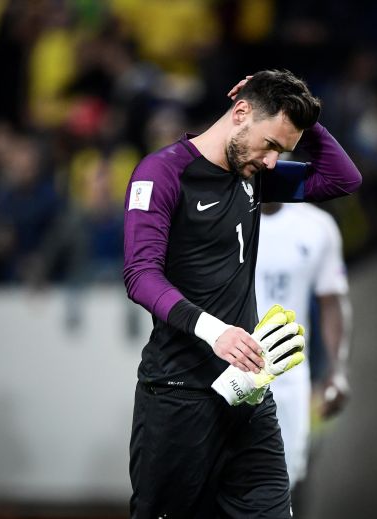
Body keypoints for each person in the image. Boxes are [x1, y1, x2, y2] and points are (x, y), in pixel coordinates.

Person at [122, 69, 361, 518]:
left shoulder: (254, 174)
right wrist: (216, 333)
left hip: (249, 393)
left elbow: (342, 179)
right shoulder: (162, 173)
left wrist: (303, 114)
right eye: (271, 144)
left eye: (282, 150)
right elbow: (140, 275)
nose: (273, 161)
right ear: (241, 112)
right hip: (179, 393)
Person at [254, 201, 352, 493]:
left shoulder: (316, 226)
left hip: (291, 377)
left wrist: (338, 372)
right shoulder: (220, 215)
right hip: (228, 371)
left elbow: (332, 303)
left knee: (286, 483)